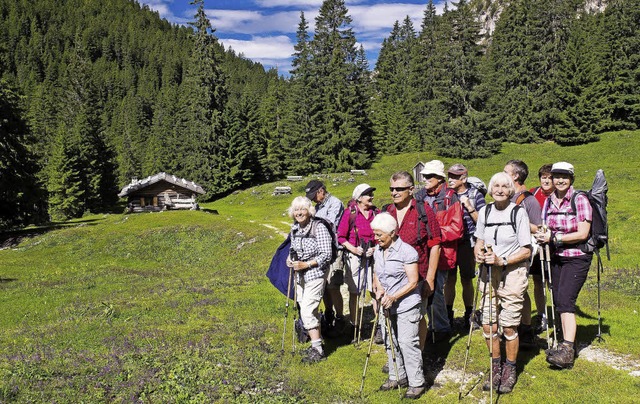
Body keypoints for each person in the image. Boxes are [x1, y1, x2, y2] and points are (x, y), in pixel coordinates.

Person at [474, 172, 533, 394]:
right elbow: (479, 240)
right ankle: (495, 365)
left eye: (504, 186)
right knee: (489, 323)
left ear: (511, 190)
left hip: (512, 273)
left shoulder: (518, 213)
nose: (499, 189)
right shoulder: (485, 211)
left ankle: (510, 369)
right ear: (490, 189)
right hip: (488, 273)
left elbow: (527, 250)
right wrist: (478, 254)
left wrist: (502, 260)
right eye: (496, 186)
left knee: (509, 325)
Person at [536, 162, 592, 369]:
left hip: (577, 256)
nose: (559, 180)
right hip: (556, 256)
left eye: (564, 177)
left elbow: (583, 233)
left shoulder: (580, 199)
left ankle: (567, 350)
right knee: (558, 299)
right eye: (556, 176)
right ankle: (566, 342)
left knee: (566, 300)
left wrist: (555, 237)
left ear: (571, 179)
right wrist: (543, 235)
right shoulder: (549, 201)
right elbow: (545, 226)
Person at [383, 171, 442, 351]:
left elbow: (435, 245)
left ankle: (418, 355)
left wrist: (430, 279)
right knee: (392, 315)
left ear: (410, 189)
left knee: (416, 316)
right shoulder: (387, 211)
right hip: (391, 276)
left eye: (399, 189)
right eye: (392, 189)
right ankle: (398, 356)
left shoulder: (424, 211)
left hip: (418, 276)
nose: (394, 192)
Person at [371, 213, 426, 400]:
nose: (376, 238)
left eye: (380, 235)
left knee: (407, 342)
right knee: (389, 340)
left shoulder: (407, 252)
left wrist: (393, 297)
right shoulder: (378, 251)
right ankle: (397, 376)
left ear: (393, 233)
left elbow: (413, 282)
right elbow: (377, 274)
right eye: (375, 234)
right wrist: (378, 290)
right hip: (386, 302)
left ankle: (416, 382)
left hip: (406, 304)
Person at [416, 160, 464, 343]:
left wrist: (432, 233)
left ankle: (442, 330)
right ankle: (430, 328)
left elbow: (456, 229)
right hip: (422, 254)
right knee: (422, 289)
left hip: (443, 253)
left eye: (429, 176)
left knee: (435, 291)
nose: (425, 179)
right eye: (425, 176)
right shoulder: (419, 196)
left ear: (439, 178)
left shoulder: (450, 197)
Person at [287, 196, 334, 363]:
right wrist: (290, 260)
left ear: (309, 211)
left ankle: (317, 350)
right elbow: (293, 249)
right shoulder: (294, 229)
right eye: (296, 210)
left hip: (315, 274)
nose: (299, 213)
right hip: (299, 276)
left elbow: (326, 254)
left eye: (302, 209)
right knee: (308, 309)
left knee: (307, 310)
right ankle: (317, 343)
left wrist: (305, 264)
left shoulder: (319, 227)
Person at [504, 160, 542, 347]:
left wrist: (518, 222)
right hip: (504, 251)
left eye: (506, 172)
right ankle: (510, 325)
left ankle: (526, 329)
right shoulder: (506, 197)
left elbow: (539, 228)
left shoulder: (528, 200)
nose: (502, 175)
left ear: (515, 176)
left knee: (520, 289)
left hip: (521, 252)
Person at [337, 183, 380, 341]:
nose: (372, 197)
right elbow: (341, 237)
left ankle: (380, 326)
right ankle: (354, 325)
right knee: (354, 292)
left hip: (373, 255)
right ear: (360, 198)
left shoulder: (376, 213)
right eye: (368, 194)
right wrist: (353, 249)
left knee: (375, 290)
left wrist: (375, 249)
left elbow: (383, 235)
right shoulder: (350, 213)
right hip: (355, 256)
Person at [446, 163, 486, 329]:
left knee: (467, 279)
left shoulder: (476, 195)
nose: (450, 179)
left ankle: (469, 313)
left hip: (468, 241)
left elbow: (483, 221)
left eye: (454, 177)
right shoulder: (447, 195)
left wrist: (469, 207)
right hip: (449, 242)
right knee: (449, 279)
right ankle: (448, 314)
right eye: (450, 176)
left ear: (464, 178)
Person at [305, 180, 346, 335]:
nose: (313, 199)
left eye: (314, 194)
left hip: (334, 250)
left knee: (333, 285)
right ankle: (329, 314)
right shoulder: (317, 207)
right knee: (323, 286)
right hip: (320, 251)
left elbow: (330, 224)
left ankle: (341, 318)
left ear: (321, 191)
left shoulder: (335, 203)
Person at [529, 164, 555, 333]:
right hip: (535, 242)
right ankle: (541, 314)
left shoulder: (558, 196)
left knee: (552, 281)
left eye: (549, 177)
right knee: (538, 280)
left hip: (553, 243)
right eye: (543, 177)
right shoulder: (533, 193)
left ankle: (557, 314)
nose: (546, 180)